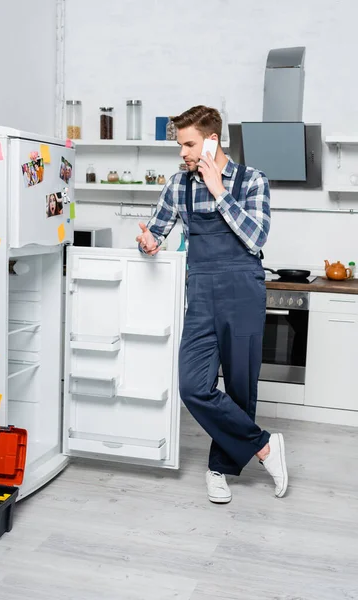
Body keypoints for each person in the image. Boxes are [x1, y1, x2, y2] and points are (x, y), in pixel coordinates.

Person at [136, 105, 288, 503]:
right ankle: (265, 446)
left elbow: (256, 238)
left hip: (243, 292)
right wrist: (149, 242)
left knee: (241, 386)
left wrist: (219, 190)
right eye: (180, 144)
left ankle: (219, 468)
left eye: (188, 144)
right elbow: (155, 230)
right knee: (193, 386)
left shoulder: (252, 181)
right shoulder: (177, 185)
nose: (182, 153)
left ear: (212, 140)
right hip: (201, 293)